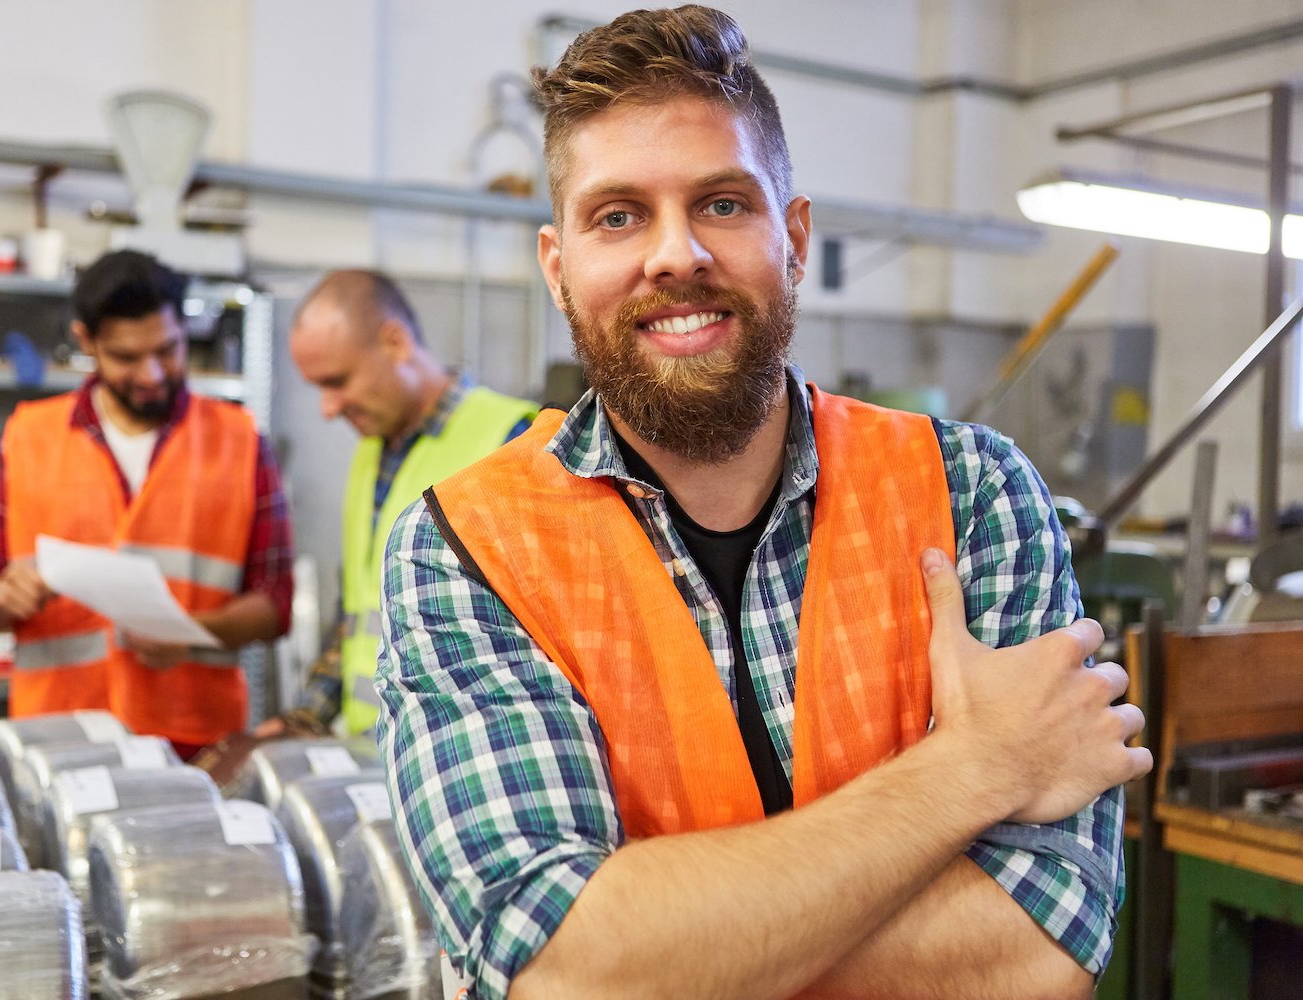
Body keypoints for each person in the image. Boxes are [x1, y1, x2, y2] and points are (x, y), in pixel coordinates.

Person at [376, 8, 1151, 1000]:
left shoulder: (973, 492)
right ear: (557, 268)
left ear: (793, 238)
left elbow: (1037, 953)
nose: (676, 254)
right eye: (617, 216)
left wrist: (678, 952)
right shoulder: (466, 547)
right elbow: (564, 969)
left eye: (722, 203)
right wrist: (976, 767)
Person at [0, 250, 294, 757]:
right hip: (59, 740)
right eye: (126, 357)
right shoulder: (29, 436)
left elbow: (275, 604)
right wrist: (3, 597)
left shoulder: (240, 441)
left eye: (168, 350)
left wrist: (192, 634)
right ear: (86, 341)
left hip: (194, 743)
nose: (152, 374)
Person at [267, 269, 537, 736]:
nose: (328, 408)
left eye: (337, 381)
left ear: (395, 343)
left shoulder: (509, 442)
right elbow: (356, 613)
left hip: (459, 755)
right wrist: (304, 719)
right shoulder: (371, 452)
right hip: (369, 752)